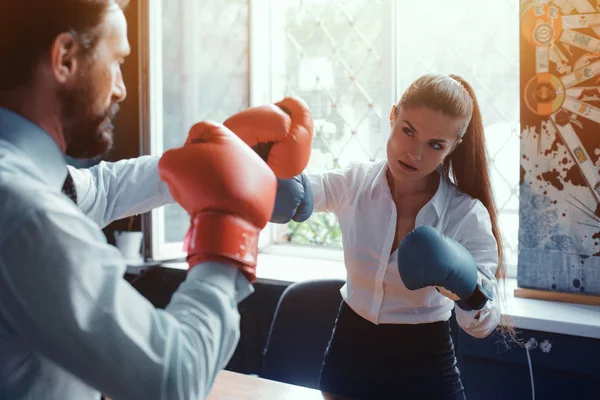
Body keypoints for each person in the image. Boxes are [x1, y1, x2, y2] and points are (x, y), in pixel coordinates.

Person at [0, 1, 312, 400]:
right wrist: (228, 237)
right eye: (115, 61)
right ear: (65, 59)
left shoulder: (28, 176)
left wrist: (203, 156)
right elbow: (173, 380)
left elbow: (101, 189)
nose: (121, 88)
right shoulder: (28, 215)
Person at [289, 73, 507, 399]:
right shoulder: (355, 182)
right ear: (393, 115)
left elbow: (483, 323)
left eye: (435, 145)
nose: (415, 154)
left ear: (453, 148)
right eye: (408, 131)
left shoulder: (464, 213)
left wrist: (467, 287)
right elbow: (305, 191)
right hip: (350, 353)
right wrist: (271, 172)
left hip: (424, 363)